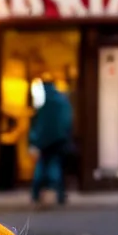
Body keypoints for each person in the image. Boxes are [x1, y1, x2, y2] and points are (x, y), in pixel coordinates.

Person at [28, 78, 73, 207]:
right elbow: (67, 121)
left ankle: (36, 194)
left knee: (41, 166)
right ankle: (58, 194)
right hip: (58, 140)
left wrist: (34, 140)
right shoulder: (62, 100)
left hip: (43, 140)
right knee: (55, 166)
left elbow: (36, 122)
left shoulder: (41, 101)